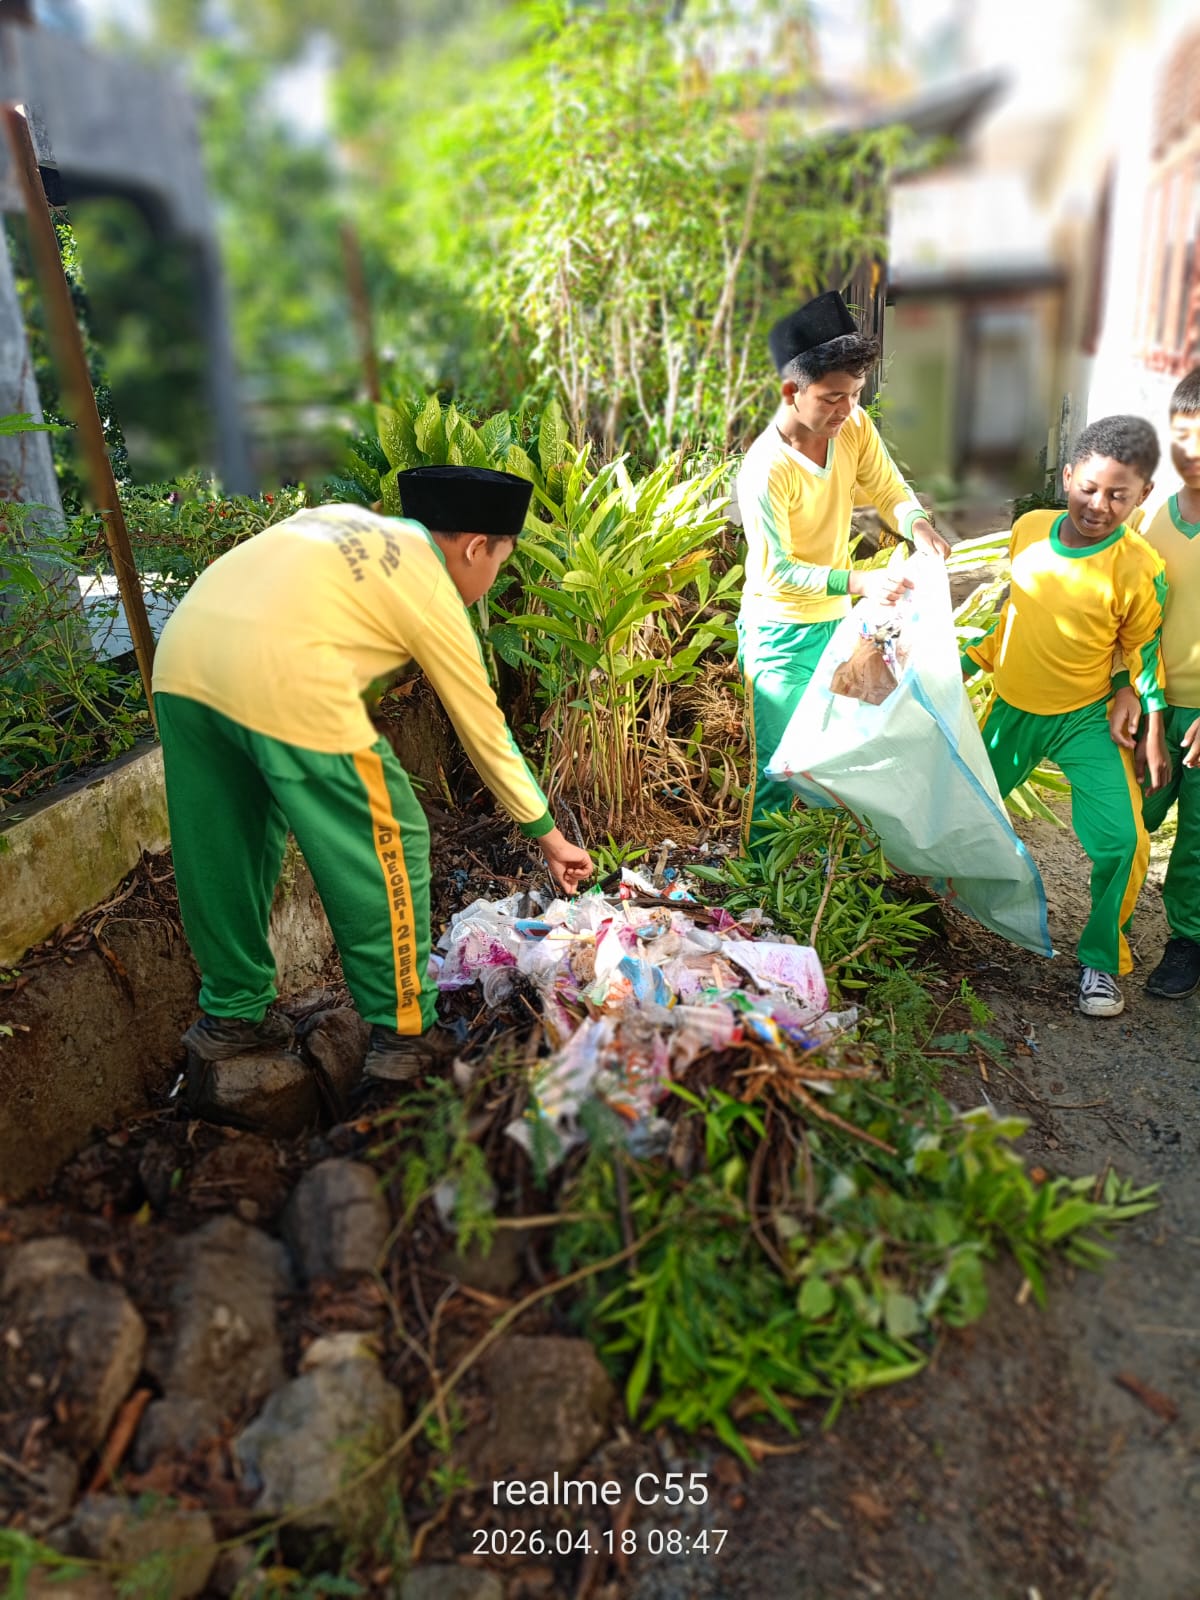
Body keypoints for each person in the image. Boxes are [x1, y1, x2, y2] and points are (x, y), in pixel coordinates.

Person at [152, 465, 593, 1081]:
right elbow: (484, 728)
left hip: (182, 660)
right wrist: (549, 835)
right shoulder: (429, 583)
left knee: (225, 841)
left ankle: (232, 1018)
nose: (493, 579)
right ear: (473, 547)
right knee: (389, 833)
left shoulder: (345, 523)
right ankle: (406, 1035)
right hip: (287, 673)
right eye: (501, 561)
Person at [962, 416, 1168, 1018]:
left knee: (1125, 841)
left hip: (1086, 718)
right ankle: (914, 900)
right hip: (1012, 709)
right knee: (956, 806)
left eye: (1118, 495)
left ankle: (1101, 961)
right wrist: (971, 659)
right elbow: (1013, 608)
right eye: (1089, 488)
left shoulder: (1138, 565)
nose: (1098, 505)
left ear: (1142, 497)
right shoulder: (1027, 529)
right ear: (1068, 475)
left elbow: (1142, 644)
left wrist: (1132, 693)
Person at [735, 289, 950, 853]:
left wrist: (918, 524)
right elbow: (780, 571)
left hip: (842, 626)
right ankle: (761, 888)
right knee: (779, 768)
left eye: (854, 395)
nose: (847, 410)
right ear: (791, 390)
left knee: (858, 747)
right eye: (833, 398)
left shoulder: (850, 428)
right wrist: (860, 582)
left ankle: (840, 869)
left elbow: (886, 484)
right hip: (780, 634)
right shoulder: (766, 470)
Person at [1135, 368, 1200, 999]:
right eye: (1183, 436)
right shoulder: (1154, 516)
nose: (1193, 452)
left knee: (1198, 837)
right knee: (1133, 816)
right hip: (1157, 703)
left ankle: (1187, 941)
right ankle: (1113, 920)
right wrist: (1131, 693)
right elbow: (1133, 616)